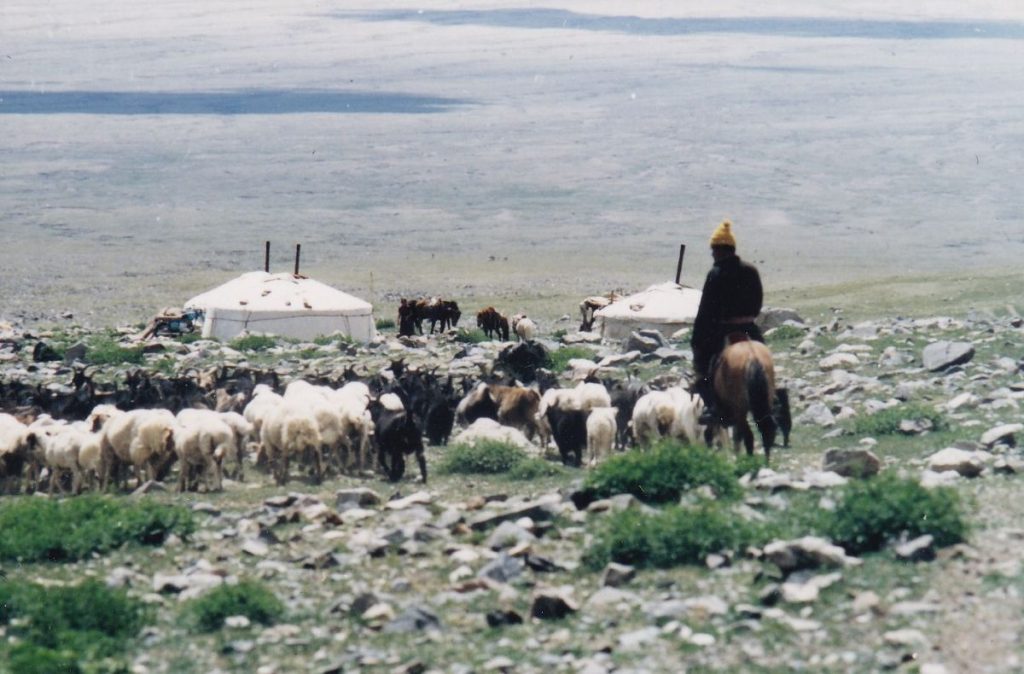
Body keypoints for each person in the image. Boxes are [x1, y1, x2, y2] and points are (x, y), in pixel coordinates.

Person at [690, 220, 765, 424]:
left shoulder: (716, 274)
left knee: (705, 366)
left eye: (713, 251)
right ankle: (773, 400)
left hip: (723, 330)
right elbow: (758, 302)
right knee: (764, 359)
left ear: (719, 250)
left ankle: (714, 408)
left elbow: (706, 310)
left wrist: (697, 339)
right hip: (750, 328)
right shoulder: (751, 271)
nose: (713, 256)